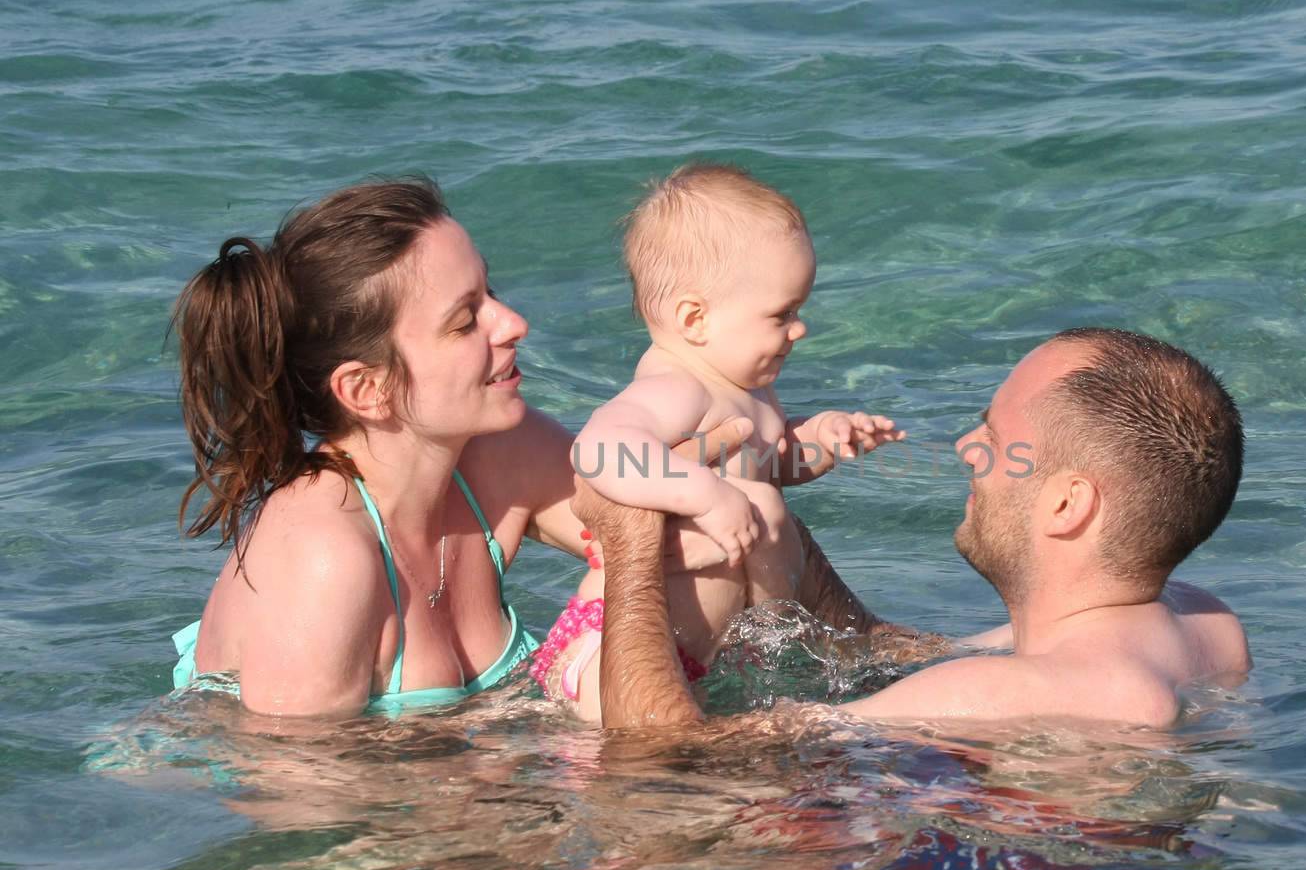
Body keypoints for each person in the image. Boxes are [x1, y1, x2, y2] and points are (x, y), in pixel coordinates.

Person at [168, 177, 751, 718]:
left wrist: (713, 433)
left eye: (489, 292)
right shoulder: (323, 558)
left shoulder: (496, 455)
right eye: (465, 321)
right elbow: (300, 806)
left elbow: (694, 547)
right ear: (368, 389)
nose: (513, 322)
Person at [578, 327, 1251, 730]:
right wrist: (773, 526)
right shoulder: (1209, 631)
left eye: (995, 437)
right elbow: (896, 648)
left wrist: (629, 537)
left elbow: (660, 754)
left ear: (1067, 505)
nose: (965, 446)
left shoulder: (988, 696)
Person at [533, 163, 902, 718]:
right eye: (782, 314)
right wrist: (704, 496)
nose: (798, 330)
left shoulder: (747, 390)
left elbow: (767, 465)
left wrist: (821, 440)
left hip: (698, 655)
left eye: (800, 311)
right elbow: (599, 451)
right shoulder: (677, 386)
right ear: (695, 318)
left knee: (764, 501)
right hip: (612, 649)